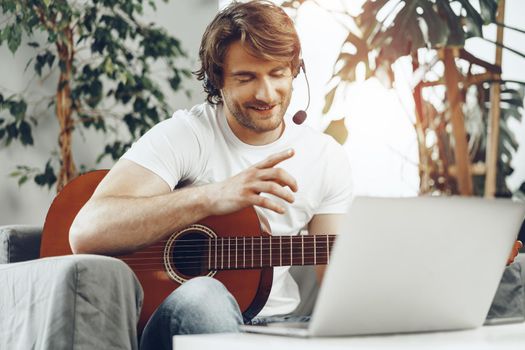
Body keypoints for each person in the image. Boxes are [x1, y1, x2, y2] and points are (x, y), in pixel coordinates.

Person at [69, 1, 353, 349]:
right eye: (246, 77)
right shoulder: (186, 134)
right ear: (217, 78)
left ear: (296, 71)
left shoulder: (326, 156)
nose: (266, 93)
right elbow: (86, 231)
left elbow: (339, 286)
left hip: (279, 326)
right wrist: (212, 196)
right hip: (183, 320)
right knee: (205, 294)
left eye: (278, 73)